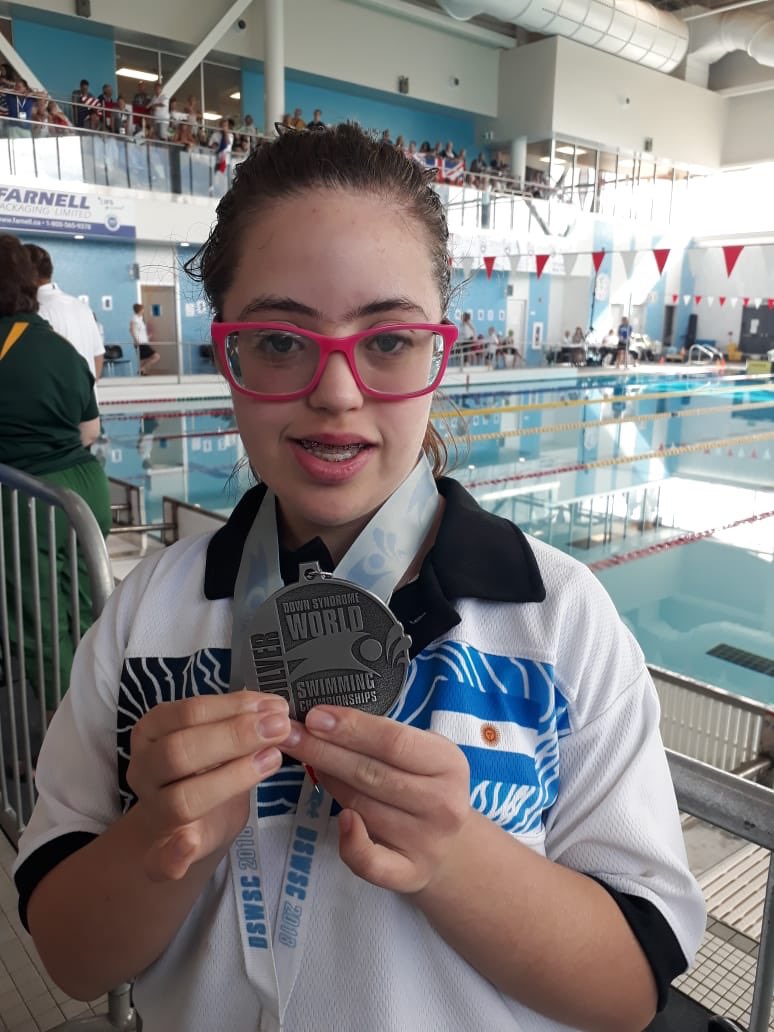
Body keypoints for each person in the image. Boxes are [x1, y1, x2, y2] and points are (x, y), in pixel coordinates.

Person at [14, 125, 704, 1032]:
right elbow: (69, 960)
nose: (337, 393)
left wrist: (456, 859)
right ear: (228, 355)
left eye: (389, 341)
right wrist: (158, 841)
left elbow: (629, 993)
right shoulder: (149, 615)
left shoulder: (560, 621)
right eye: (279, 340)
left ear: (438, 354)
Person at [0, 234, 111, 707]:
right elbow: (90, 429)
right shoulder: (60, 348)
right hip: (85, 491)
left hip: (30, 497)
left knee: (40, 627)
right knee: (90, 614)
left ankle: (65, 736)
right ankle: (102, 722)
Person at [25, 243, 105, 380]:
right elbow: (98, 356)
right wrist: (87, 389)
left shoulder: (35, 313)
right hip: (86, 391)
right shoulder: (82, 308)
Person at [129, 302, 159, 374]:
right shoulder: (134, 319)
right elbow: (131, 330)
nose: (143, 311)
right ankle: (142, 369)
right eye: (143, 309)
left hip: (144, 342)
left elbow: (139, 332)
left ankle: (142, 371)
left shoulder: (140, 319)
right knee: (156, 356)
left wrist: (148, 337)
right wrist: (136, 340)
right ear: (140, 310)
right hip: (140, 343)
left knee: (143, 359)